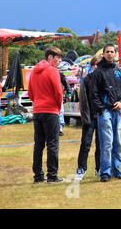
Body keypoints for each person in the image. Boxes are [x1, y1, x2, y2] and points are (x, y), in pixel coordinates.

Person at [90, 44, 121, 182]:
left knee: (117, 142)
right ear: (103, 54)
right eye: (107, 52)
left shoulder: (119, 71)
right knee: (106, 143)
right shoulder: (98, 72)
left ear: (115, 54)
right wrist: (101, 109)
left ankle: (117, 171)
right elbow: (93, 94)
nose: (109, 54)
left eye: (112, 52)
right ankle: (105, 173)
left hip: (117, 112)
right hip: (105, 112)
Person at [28, 46, 65, 183]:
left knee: (38, 144)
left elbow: (30, 92)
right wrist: (57, 106)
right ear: (50, 57)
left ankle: (38, 175)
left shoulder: (34, 71)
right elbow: (58, 92)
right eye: (58, 58)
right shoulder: (53, 70)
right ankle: (52, 175)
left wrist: (38, 101)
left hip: (37, 110)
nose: (60, 61)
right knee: (53, 143)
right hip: (51, 110)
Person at [75, 55, 101, 181]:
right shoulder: (86, 80)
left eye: (99, 64)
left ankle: (99, 168)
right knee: (86, 144)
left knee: (101, 145)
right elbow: (83, 101)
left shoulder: (104, 79)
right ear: (92, 66)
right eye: (95, 64)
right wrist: (85, 118)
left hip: (102, 116)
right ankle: (81, 169)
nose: (97, 67)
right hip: (90, 117)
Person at [59, 71, 71, 136]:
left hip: (59, 96)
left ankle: (60, 129)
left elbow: (66, 84)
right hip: (49, 96)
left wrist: (69, 93)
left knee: (61, 111)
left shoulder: (59, 74)